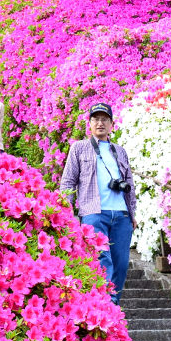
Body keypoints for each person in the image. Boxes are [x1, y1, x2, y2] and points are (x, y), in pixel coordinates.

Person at [59, 103, 137, 305]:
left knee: (121, 264)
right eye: (96, 119)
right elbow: (68, 182)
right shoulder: (79, 148)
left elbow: (129, 183)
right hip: (93, 213)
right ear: (90, 123)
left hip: (121, 215)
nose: (100, 123)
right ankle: (105, 306)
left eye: (104, 119)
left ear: (111, 124)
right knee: (102, 260)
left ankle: (113, 306)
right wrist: (65, 213)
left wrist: (132, 213)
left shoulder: (120, 151)